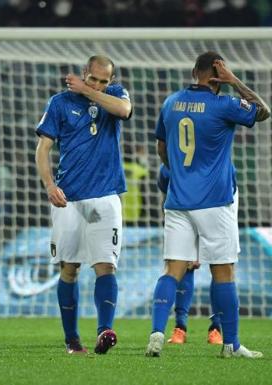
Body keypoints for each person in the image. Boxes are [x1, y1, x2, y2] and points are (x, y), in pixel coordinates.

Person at [146, 51, 270, 358]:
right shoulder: (224, 104)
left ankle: (158, 333)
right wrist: (235, 81)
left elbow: (161, 146)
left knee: (172, 269)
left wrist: (178, 173)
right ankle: (231, 344)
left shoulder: (171, 102)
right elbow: (264, 111)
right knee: (223, 271)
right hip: (215, 201)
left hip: (177, 199)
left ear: (193, 71)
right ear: (218, 73)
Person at [35, 55, 132, 355]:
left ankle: (105, 330)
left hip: (105, 195)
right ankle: (72, 340)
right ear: (84, 73)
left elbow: (125, 111)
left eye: (105, 80)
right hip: (69, 199)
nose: (100, 84)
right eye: (94, 79)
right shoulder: (59, 103)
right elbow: (43, 148)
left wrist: (89, 91)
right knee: (70, 268)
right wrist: (50, 185)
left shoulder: (115, 96)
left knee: (106, 266)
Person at [157, 164, 223, 345]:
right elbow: (167, 195)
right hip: (182, 209)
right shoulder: (167, 170)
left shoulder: (217, 165)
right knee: (184, 263)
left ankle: (217, 327)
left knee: (220, 264)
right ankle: (180, 328)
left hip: (217, 205)